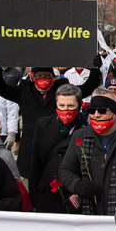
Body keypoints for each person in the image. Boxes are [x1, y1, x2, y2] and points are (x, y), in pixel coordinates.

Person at [0, 52, 101, 177]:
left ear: (53, 77)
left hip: (58, 148)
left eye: (47, 76)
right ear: (32, 76)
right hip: (31, 149)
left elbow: (87, 88)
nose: (43, 79)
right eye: (39, 76)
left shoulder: (62, 90)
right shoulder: (24, 91)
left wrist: (95, 69)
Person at [58, 94, 116, 215]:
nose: (96, 115)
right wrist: (76, 185)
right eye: (92, 111)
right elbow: (65, 170)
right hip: (91, 214)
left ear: (114, 113)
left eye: (102, 111)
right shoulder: (80, 136)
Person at [29, 84, 85, 213]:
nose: (66, 110)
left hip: (71, 197)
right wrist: (34, 198)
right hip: (45, 195)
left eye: (71, 106)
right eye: (62, 106)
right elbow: (35, 164)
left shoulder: (86, 129)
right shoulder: (43, 124)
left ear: (79, 105)